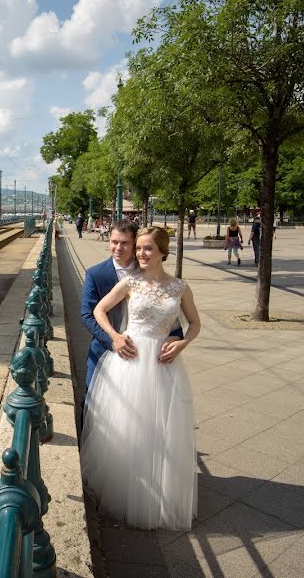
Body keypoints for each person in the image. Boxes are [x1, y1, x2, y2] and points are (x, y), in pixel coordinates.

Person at [80, 226, 201, 530]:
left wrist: (183, 342)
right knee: (129, 426)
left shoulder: (180, 287)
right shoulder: (131, 283)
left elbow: (195, 323)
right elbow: (97, 311)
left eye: (147, 248)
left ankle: (161, 496)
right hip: (130, 359)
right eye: (139, 249)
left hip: (163, 362)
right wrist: (115, 336)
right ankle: (129, 490)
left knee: (161, 428)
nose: (141, 254)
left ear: (163, 251)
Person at [80, 220, 183, 390]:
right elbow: (87, 315)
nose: (118, 247)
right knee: (93, 404)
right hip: (105, 348)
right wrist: (113, 340)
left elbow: (167, 308)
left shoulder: (150, 267)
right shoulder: (95, 274)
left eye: (125, 243)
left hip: (146, 356)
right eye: (114, 242)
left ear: (135, 243)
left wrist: (177, 336)